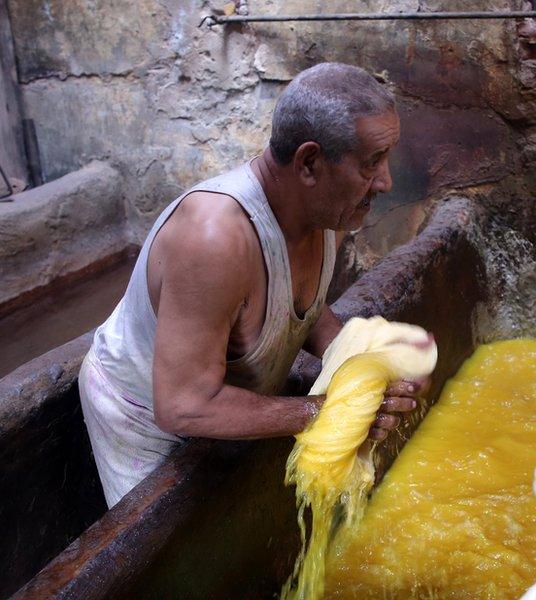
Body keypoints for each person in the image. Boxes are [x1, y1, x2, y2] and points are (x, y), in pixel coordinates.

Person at [79, 62, 425, 507]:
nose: (387, 181)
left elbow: (300, 304)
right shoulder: (214, 241)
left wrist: (364, 364)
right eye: (372, 162)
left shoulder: (328, 215)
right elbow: (183, 404)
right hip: (144, 416)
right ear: (309, 163)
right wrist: (328, 411)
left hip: (205, 399)